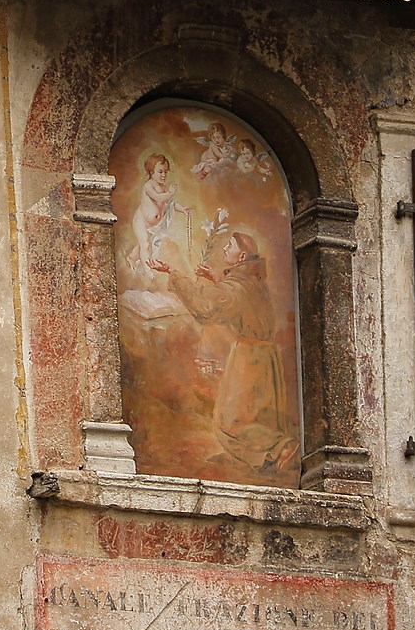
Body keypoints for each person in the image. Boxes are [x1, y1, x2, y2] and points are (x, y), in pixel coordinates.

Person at [149, 229, 298, 478]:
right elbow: (238, 304)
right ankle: (271, 455)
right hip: (262, 357)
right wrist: (216, 279)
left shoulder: (239, 286)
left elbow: (209, 304)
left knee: (232, 422)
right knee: (254, 415)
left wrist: (171, 274)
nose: (224, 249)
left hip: (249, 359)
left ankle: (284, 447)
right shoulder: (252, 282)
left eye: (229, 246)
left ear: (241, 257)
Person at [120, 150, 187, 321]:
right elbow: (159, 197)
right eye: (160, 171)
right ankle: (147, 268)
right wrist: (170, 193)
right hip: (141, 221)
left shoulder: (164, 188)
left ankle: (131, 258)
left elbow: (170, 203)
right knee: (145, 245)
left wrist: (183, 209)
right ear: (151, 171)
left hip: (153, 225)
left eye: (165, 171)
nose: (163, 175)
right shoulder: (149, 186)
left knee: (145, 243)